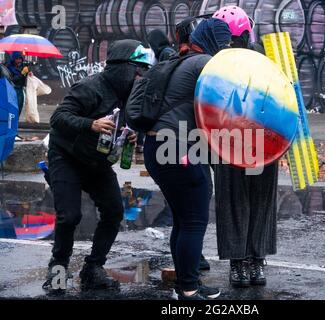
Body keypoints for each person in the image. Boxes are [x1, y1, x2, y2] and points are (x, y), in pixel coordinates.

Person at [42, 40, 153, 293]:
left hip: (97, 161)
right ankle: (57, 268)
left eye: (143, 71)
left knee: (114, 212)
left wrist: (132, 136)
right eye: (137, 70)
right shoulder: (90, 87)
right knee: (69, 215)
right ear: (121, 67)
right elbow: (58, 118)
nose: (140, 76)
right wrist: (90, 124)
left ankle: (93, 268)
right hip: (66, 157)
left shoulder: (130, 96)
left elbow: (130, 124)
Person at [141, 18, 231, 300]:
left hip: (157, 146)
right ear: (213, 41)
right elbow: (223, 108)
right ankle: (189, 292)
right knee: (193, 221)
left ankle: (187, 282)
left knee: (182, 219)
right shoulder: (206, 64)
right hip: (179, 150)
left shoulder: (182, 61)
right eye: (224, 42)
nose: (226, 48)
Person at [212, 5, 278, 288]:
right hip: (263, 142)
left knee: (233, 200)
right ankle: (254, 260)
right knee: (261, 200)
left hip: (229, 142)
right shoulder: (265, 60)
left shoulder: (215, 63)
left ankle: (238, 262)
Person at [7, 51, 31, 117]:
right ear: (13, 59)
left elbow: (24, 79)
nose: (19, 60)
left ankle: (16, 122)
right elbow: (11, 80)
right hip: (12, 90)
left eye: (20, 59)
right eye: (17, 59)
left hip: (20, 90)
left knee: (19, 107)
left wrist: (28, 73)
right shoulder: (9, 68)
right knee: (12, 108)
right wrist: (22, 74)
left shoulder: (23, 67)